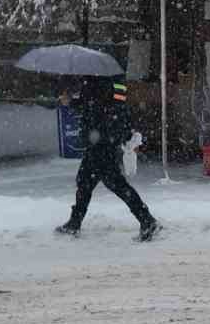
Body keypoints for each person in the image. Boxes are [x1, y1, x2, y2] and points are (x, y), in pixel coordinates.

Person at [57, 75, 159, 241]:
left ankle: (147, 220)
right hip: (102, 141)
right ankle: (74, 223)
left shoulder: (98, 82)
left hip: (102, 142)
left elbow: (95, 108)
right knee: (84, 181)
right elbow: (108, 107)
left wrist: (71, 102)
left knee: (115, 184)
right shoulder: (109, 81)